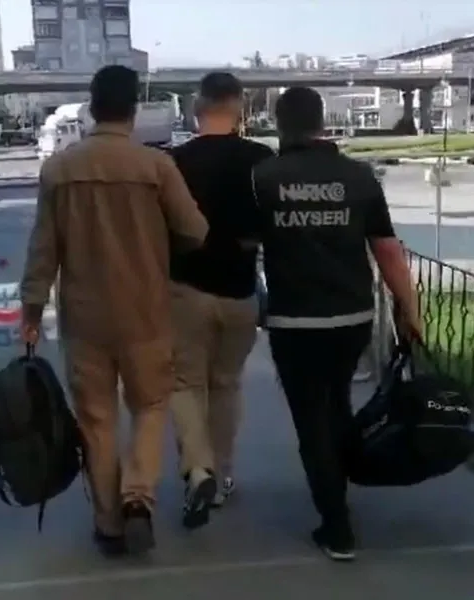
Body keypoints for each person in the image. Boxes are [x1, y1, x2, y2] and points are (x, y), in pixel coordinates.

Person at [19, 65, 209, 556]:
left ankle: (108, 523)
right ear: (133, 110)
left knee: (96, 419)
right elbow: (195, 231)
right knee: (151, 404)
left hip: (85, 319)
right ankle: (137, 497)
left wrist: (32, 309)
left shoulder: (59, 170)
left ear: (91, 107)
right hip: (146, 312)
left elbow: (43, 249)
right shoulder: (156, 167)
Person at [251, 86, 421, 561]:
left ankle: (336, 524)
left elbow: (244, 243)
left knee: (312, 419)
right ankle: (342, 484)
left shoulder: (263, 178)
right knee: (338, 403)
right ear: (321, 121)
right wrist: (409, 308)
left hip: (294, 320)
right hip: (352, 317)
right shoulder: (358, 175)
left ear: (280, 124)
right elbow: (387, 250)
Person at [169, 72, 274, 528]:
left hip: (186, 290)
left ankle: (199, 470)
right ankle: (224, 474)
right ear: (240, 107)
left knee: (186, 384)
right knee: (227, 383)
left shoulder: (174, 162)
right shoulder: (261, 159)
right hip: (241, 290)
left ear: (198, 107)